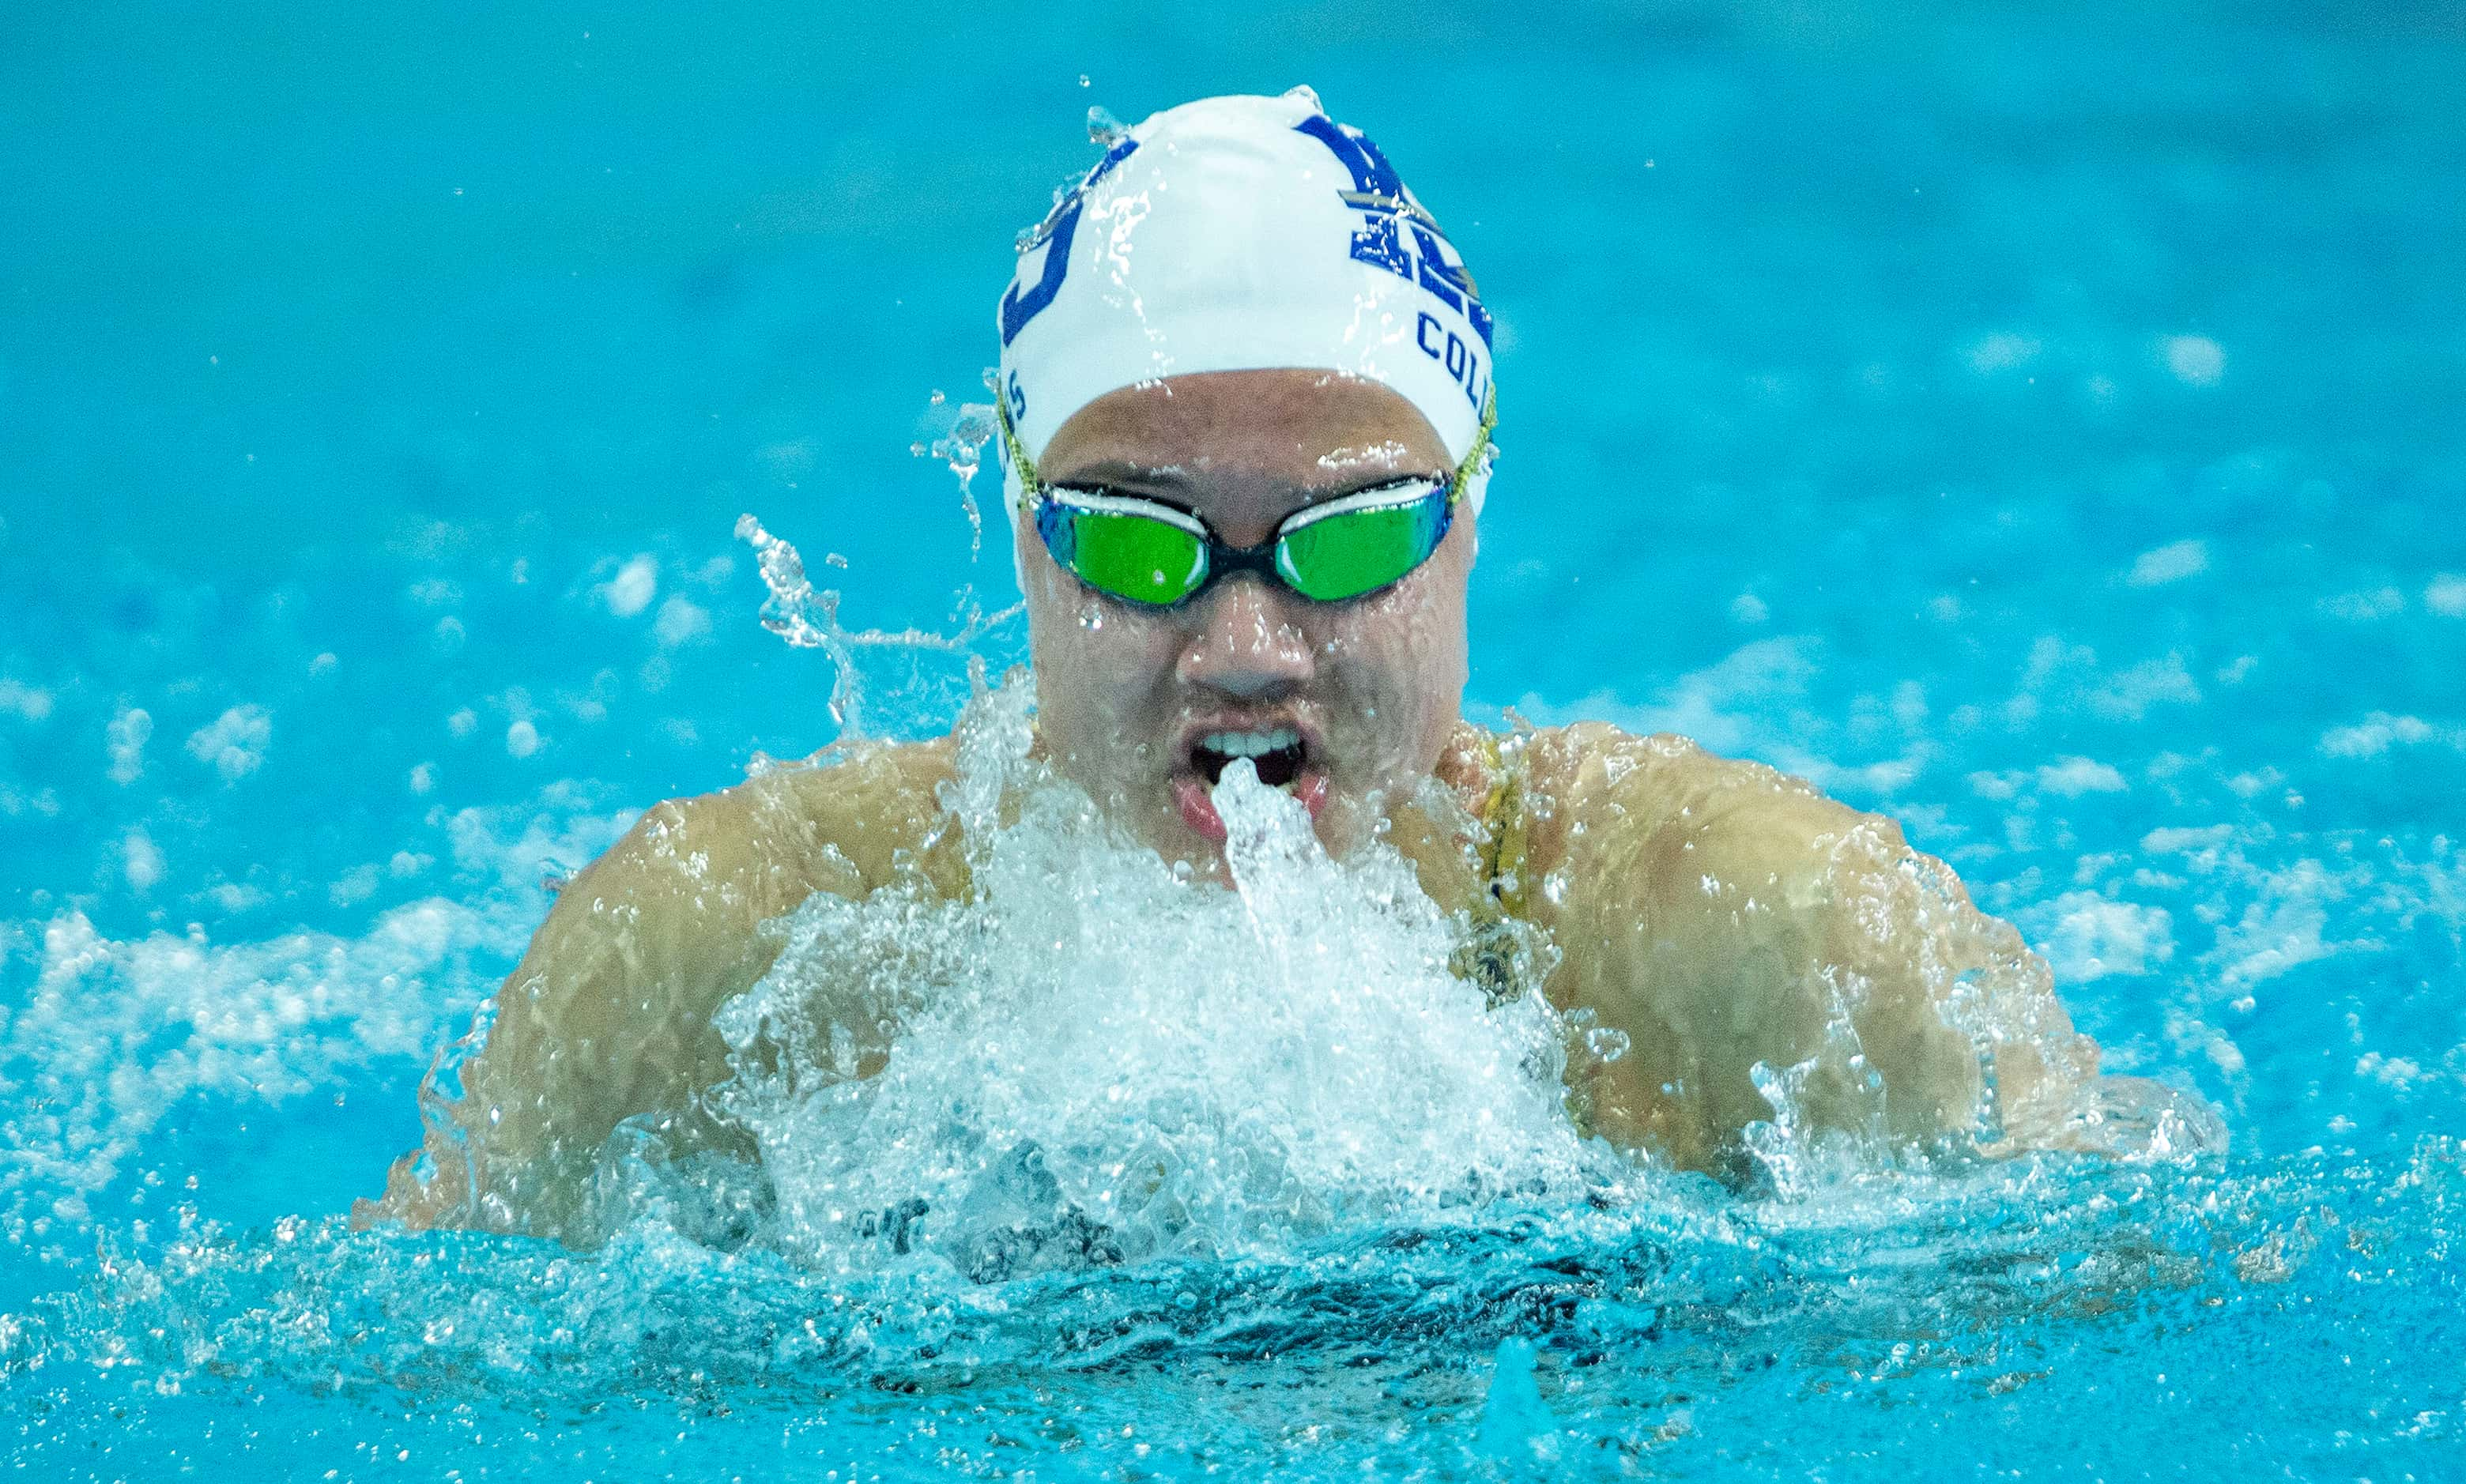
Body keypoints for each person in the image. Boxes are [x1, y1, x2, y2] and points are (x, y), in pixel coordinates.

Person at [360, 89, 2153, 1245]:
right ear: (1019, 534)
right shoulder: (721, 964)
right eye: (1135, 541)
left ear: (1468, 517)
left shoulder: (1766, 952)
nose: (1241, 648)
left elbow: (2116, 1282)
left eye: (1349, 536)